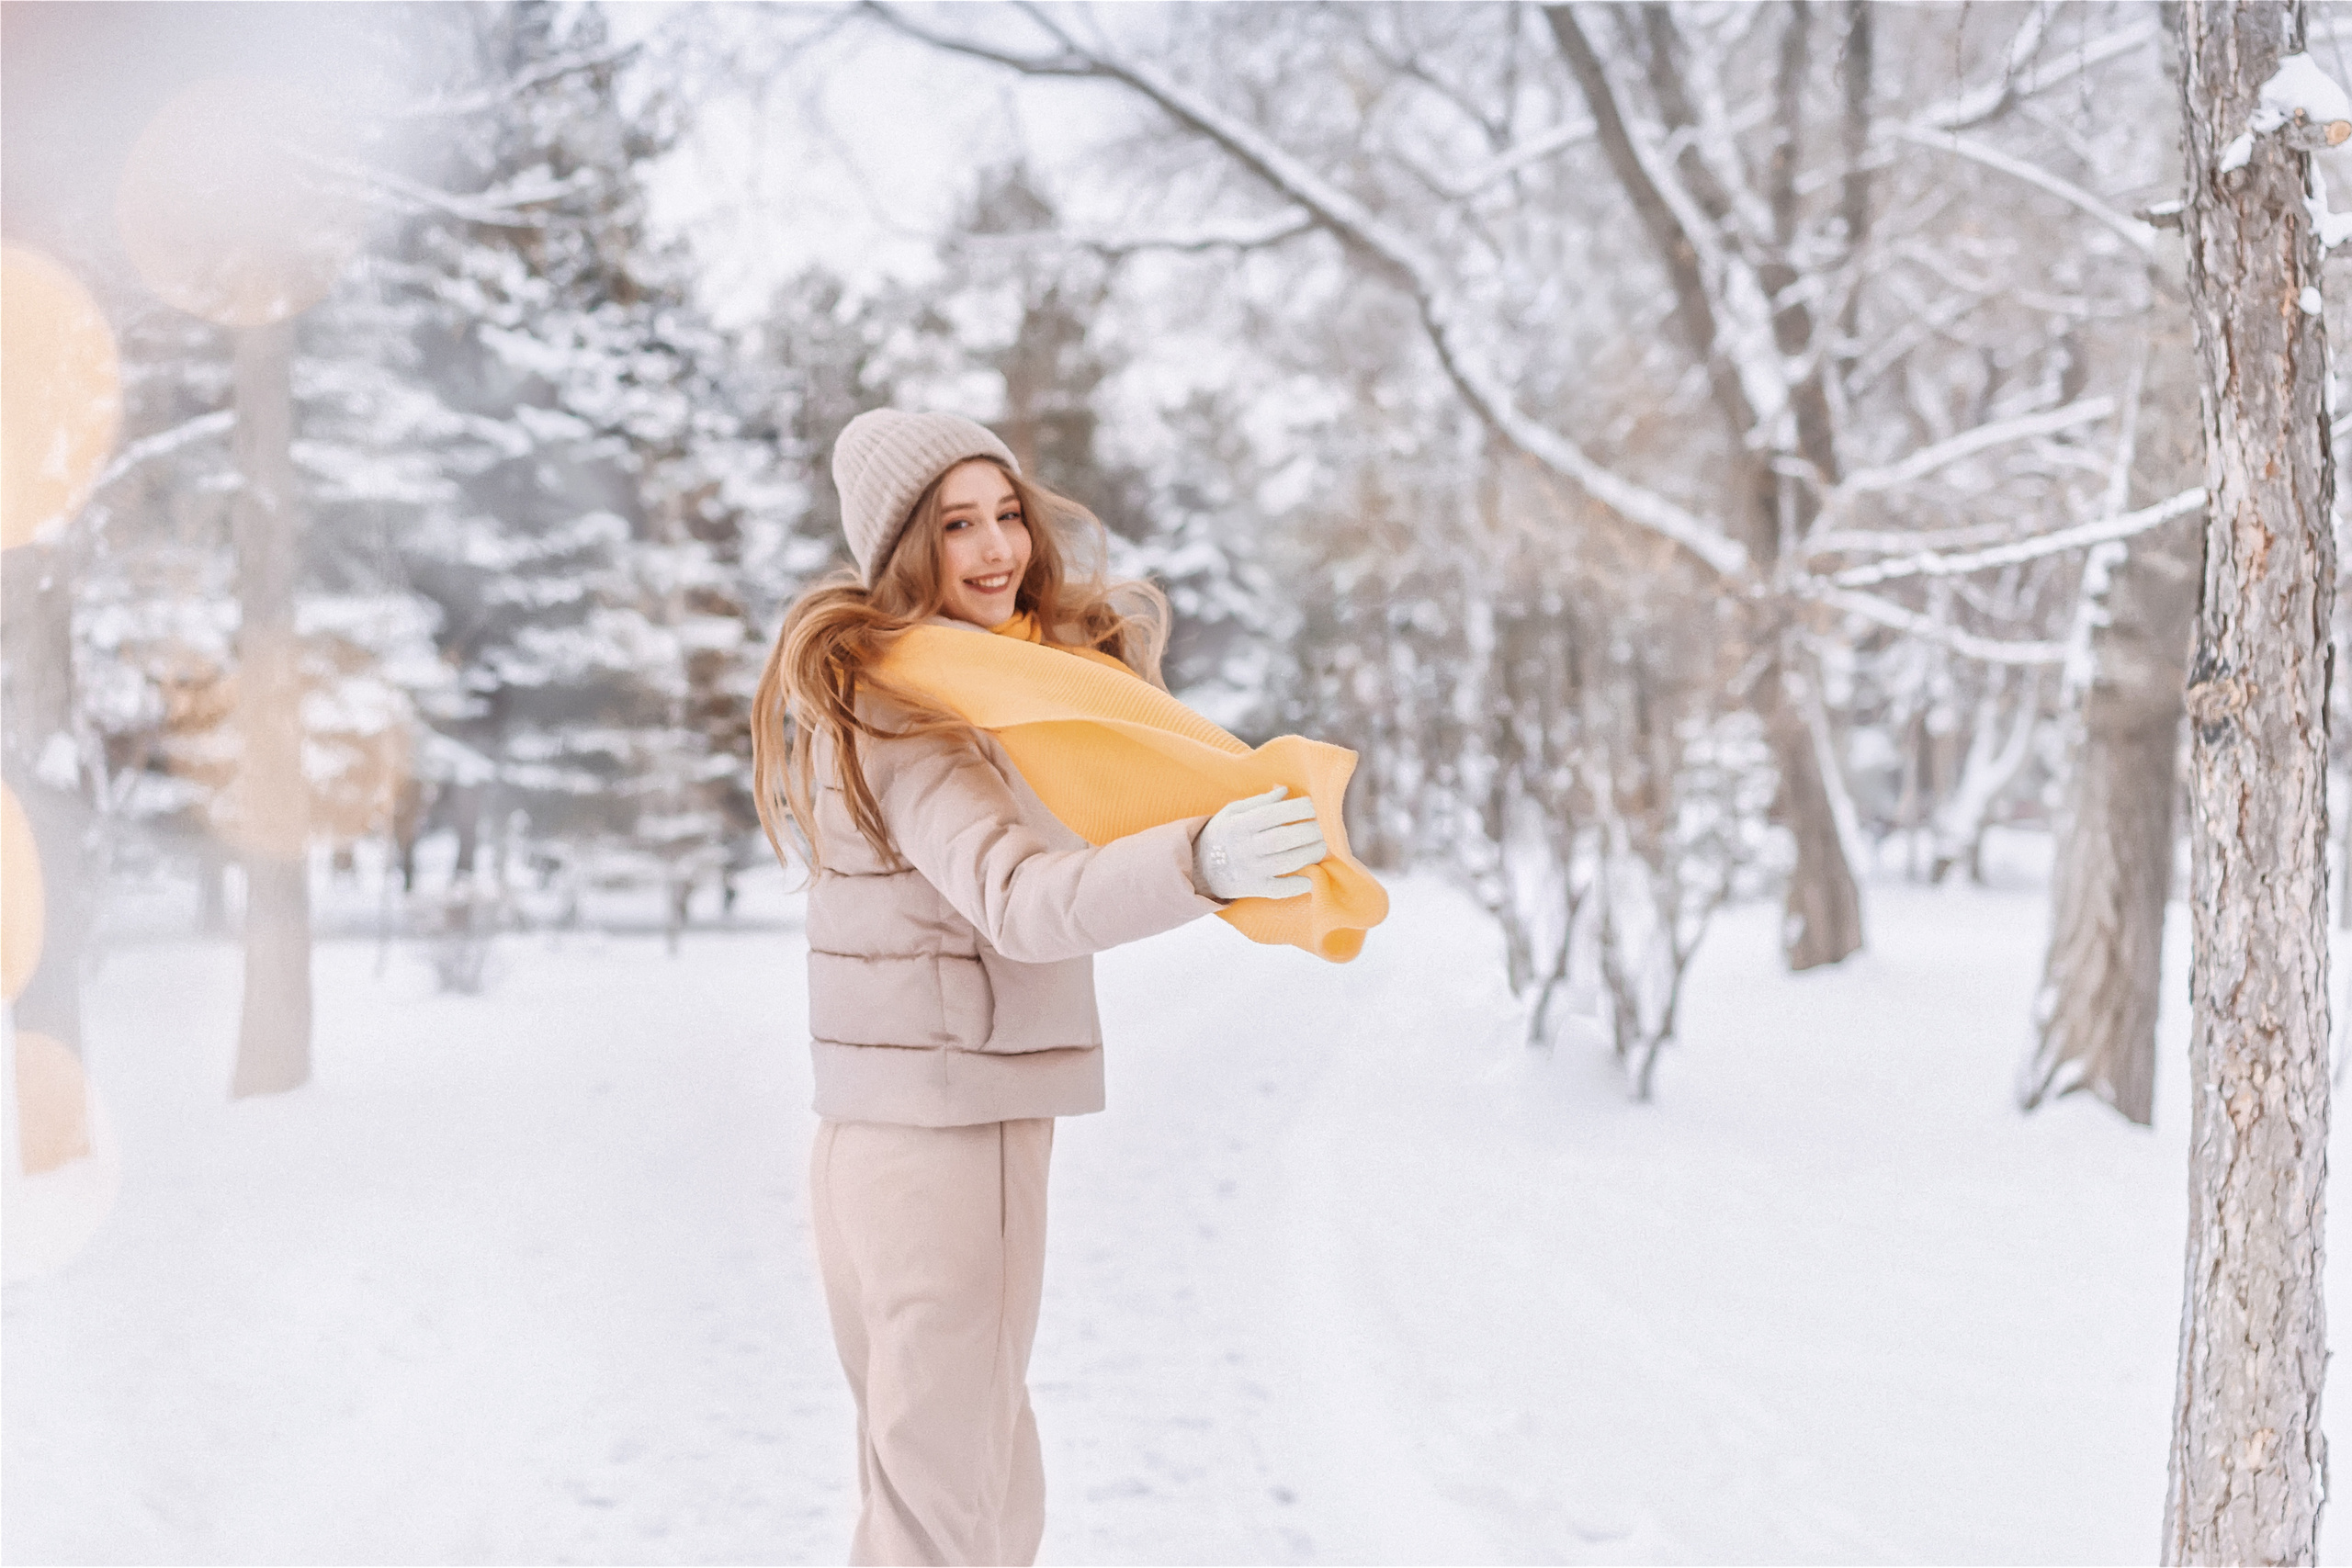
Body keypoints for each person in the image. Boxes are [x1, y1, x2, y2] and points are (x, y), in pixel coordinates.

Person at [749, 410, 1340, 1567]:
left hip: (880, 1132)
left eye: (1007, 512)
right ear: (902, 548)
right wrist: (1202, 863)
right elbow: (1020, 901)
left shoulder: (923, 684)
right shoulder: (914, 706)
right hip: (950, 1137)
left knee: (955, 1471)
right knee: (949, 1499)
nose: (995, 547)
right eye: (955, 523)